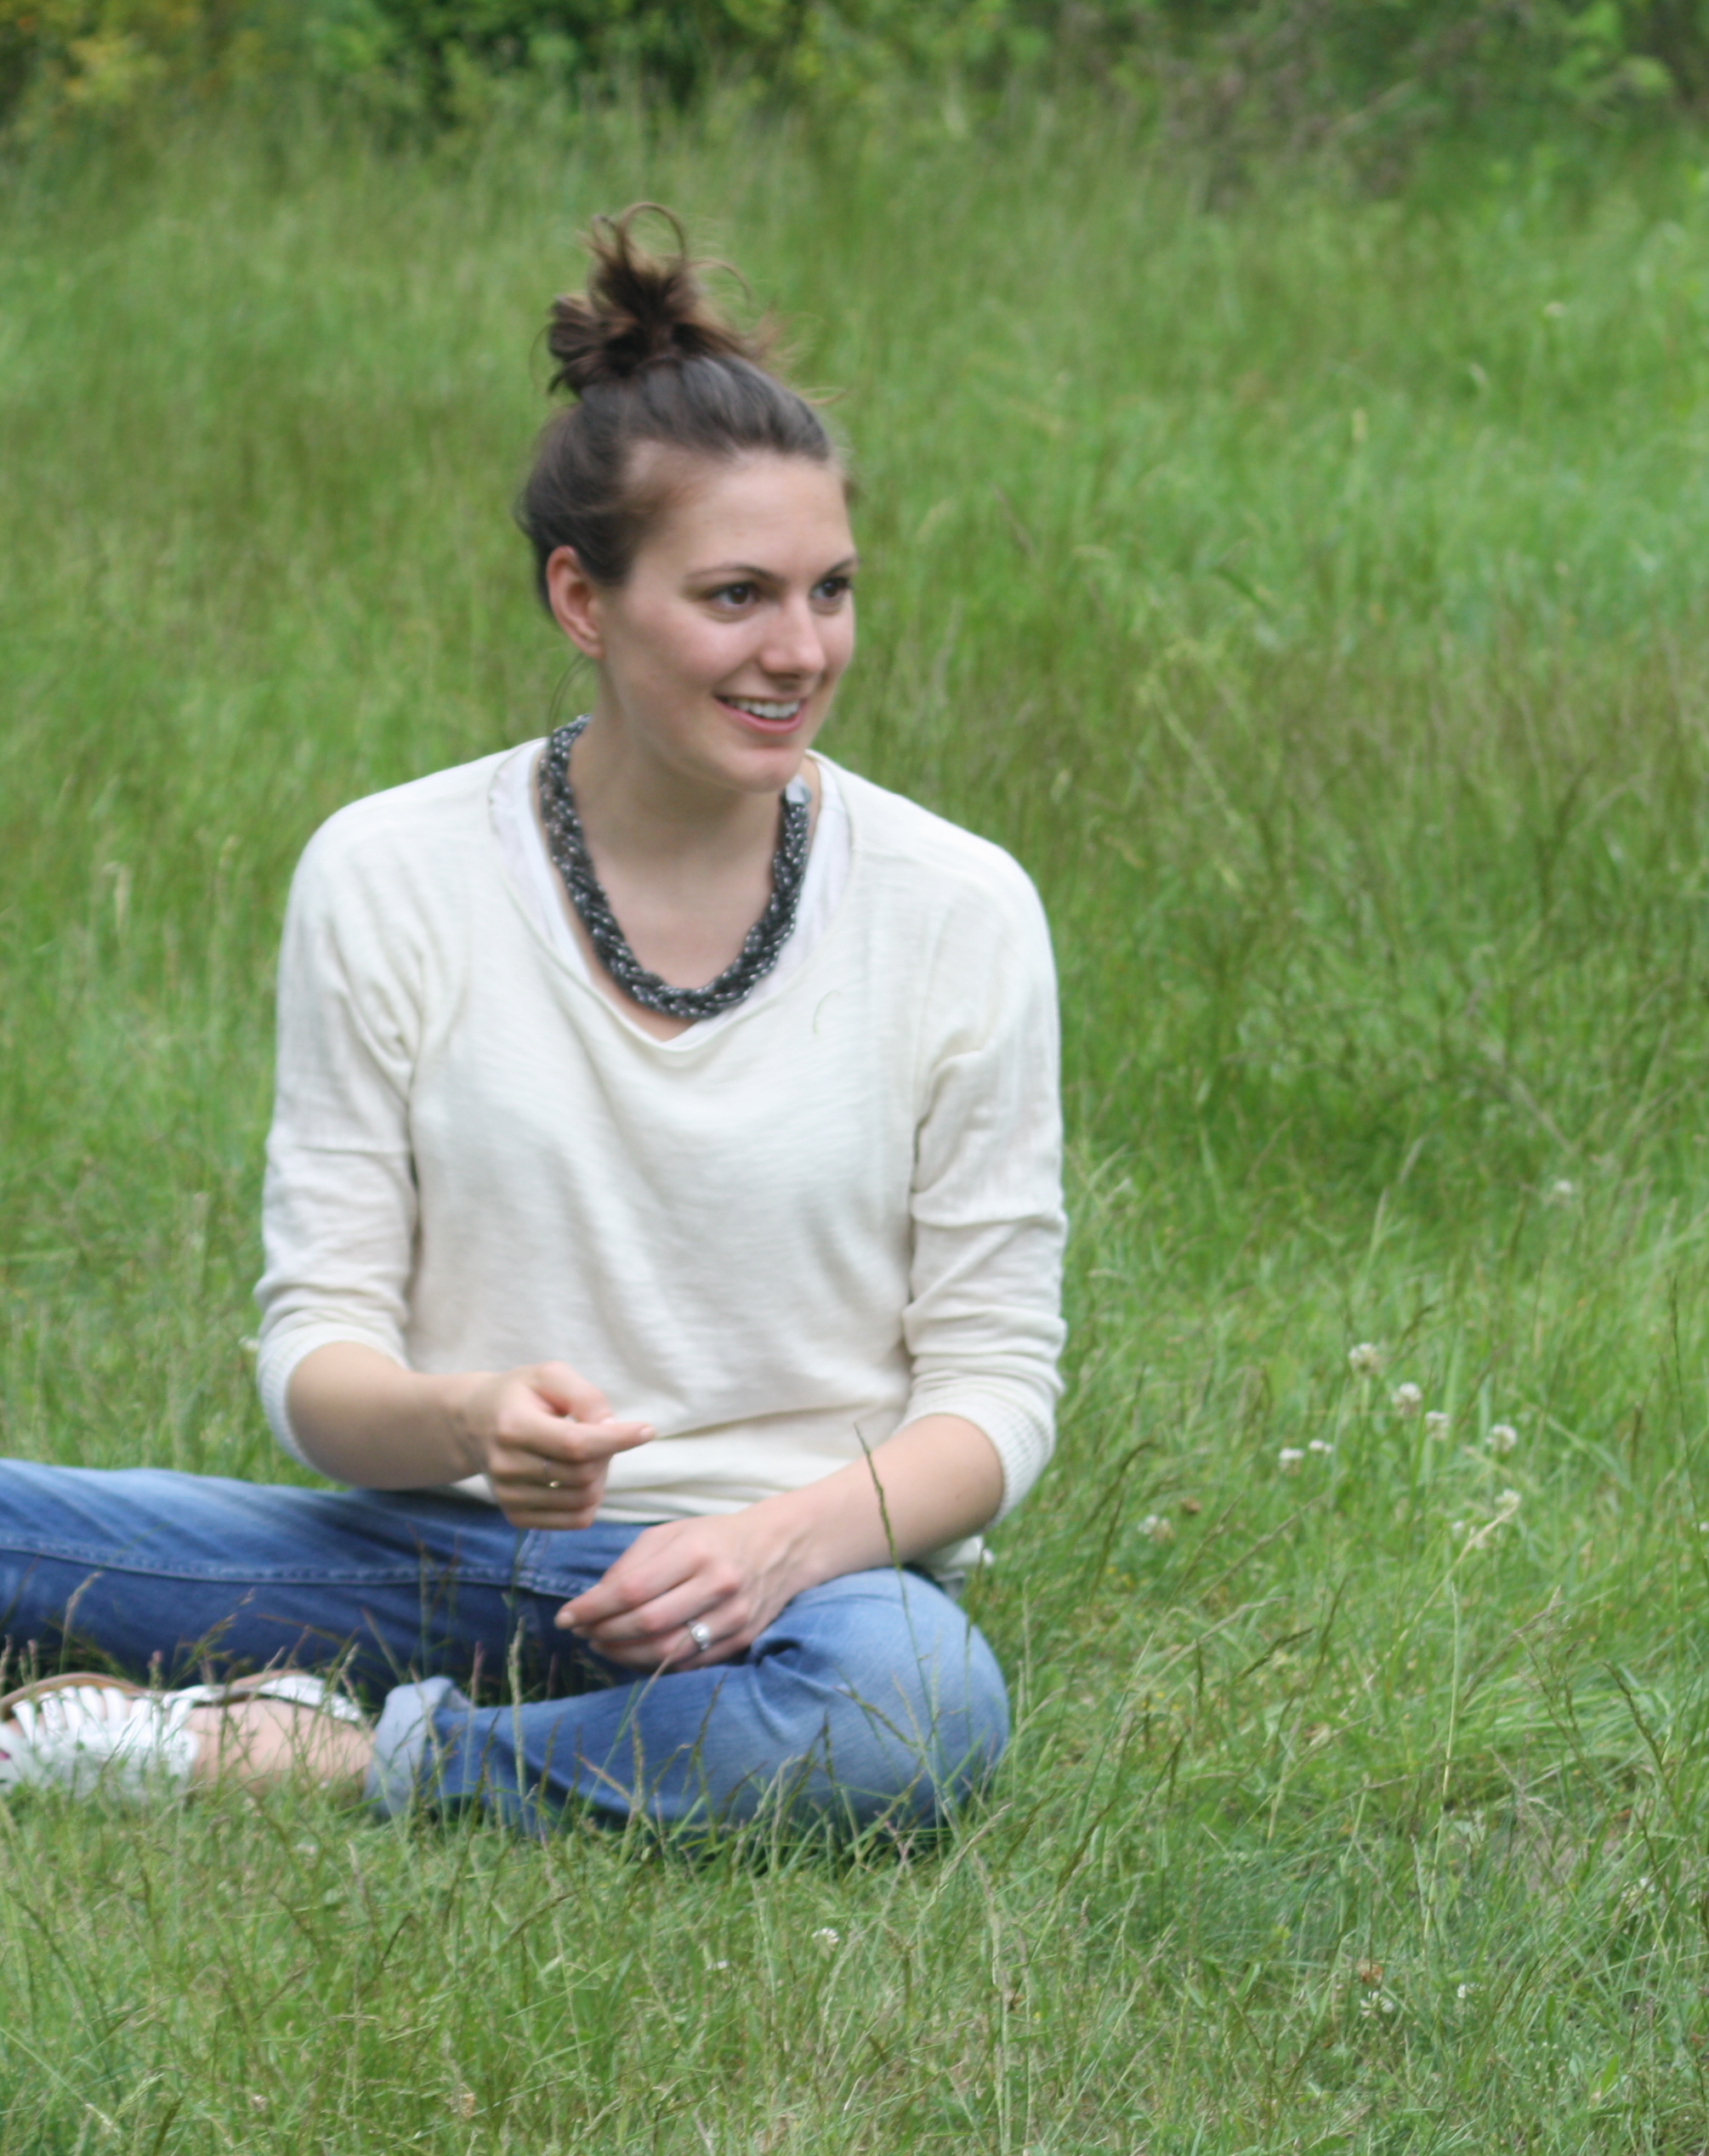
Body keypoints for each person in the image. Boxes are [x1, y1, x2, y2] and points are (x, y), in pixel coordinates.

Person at [0, 210, 1063, 1835]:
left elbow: (992, 1390)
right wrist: (465, 1419)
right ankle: (478, 1704)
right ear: (583, 598)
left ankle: (319, 1754)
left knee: (908, 1712)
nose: (799, 650)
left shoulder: (958, 905)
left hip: (801, 1592)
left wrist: (778, 1540)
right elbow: (318, 1354)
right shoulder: (387, 870)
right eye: (735, 595)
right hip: (432, 1552)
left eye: (830, 590)